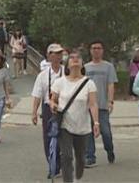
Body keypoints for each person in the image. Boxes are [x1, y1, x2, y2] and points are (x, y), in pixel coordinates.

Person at [50, 51, 99, 183]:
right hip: (65, 124)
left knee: (81, 158)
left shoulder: (89, 83)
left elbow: (93, 104)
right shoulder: (59, 82)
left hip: (82, 126)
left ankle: (78, 177)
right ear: (67, 65)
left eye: (78, 57)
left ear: (82, 64)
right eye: (72, 58)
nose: (75, 59)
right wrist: (53, 105)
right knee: (66, 156)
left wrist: (96, 123)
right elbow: (52, 100)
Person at [31, 44, 66, 176]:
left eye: (59, 53)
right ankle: (53, 166)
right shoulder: (43, 76)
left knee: (64, 137)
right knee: (48, 137)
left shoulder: (67, 72)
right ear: (49, 56)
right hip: (48, 108)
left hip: (65, 107)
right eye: (54, 53)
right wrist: (34, 112)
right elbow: (37, 94)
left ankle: (62, 163)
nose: (57, 56)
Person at [84, 40, 117, 167]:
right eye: (93, 48)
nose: (96, 50)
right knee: (88, 132)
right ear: (90, 50)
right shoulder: (86, 67)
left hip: (102, 105)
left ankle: (110, 150)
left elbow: (111, 84)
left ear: (102, 50)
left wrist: (111, 101)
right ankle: (90, 156)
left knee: (106, 132)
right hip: (87, 106)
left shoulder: (108, 67)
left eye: (98, 48)